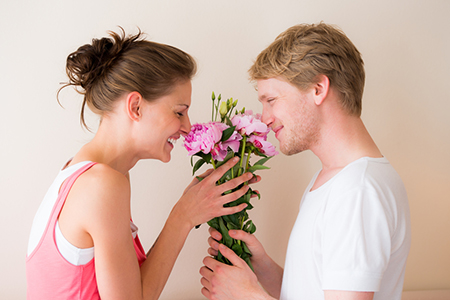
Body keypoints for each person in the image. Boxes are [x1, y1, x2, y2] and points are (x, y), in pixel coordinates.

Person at [26, 28, 256, 300]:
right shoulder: (101, 184)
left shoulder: (90, 175)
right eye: (179, 111)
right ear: (135, 107)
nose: (187, 126)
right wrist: (183, 216)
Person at [200, 22, 411, 300]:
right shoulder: (334, 180)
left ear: (318, 89)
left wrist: (248, 296)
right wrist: (262, 267)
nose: (264, 118)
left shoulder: (358, 192)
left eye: (272, 99)